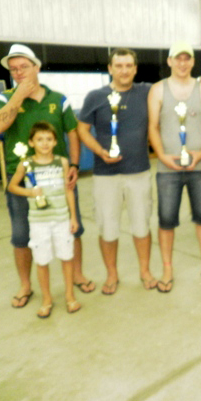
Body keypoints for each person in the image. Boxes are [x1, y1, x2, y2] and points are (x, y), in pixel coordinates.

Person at [0, 44, 95, 309]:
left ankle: (77, 275)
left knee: (72, 228)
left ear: (36, 67)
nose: (19, 73)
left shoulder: (58, 99)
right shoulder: (4, 98)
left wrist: (74, 165)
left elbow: (72, 132)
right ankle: (26, 285)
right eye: (13, 69)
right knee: (21, 234)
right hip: (22, 177)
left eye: (23, 67)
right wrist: (17, 97)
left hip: (58, 175)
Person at [147, 41, 201, 291]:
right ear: (169, 61)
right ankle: (167, 269)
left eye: (187, 58)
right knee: (166, 220)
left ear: (192, 62)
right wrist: (162, 156)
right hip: (167, 168)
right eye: (177, 58)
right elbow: (152, 127)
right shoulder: (158, 90)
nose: (182, 63)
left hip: (200, 168)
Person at [77, 48, 155, 295]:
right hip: (105, 174)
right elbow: (82, 130)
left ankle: (144, 271)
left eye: (129, 65)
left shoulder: (147, 91)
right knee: (108, 228)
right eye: (119, 66)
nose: (124, 70)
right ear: (110, 69)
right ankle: (112, 275)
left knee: (141, 225)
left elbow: (176, 86)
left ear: (135, 69)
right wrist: (100, 152)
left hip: (139, 172)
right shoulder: (95, 97)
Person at [8, 122, 81, 318]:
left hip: (61, 219)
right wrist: (30, 192)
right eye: (39, 139)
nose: (45, 143)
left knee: (67, 257)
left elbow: (68, 190)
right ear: (31, 142)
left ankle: (69, 296)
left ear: (55, 141)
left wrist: (73, 217)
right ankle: (46, 299)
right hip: (39, 221)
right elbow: (12, 186)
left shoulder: (62, 162)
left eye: (49, 139)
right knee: (42, 261)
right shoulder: (26, 164)